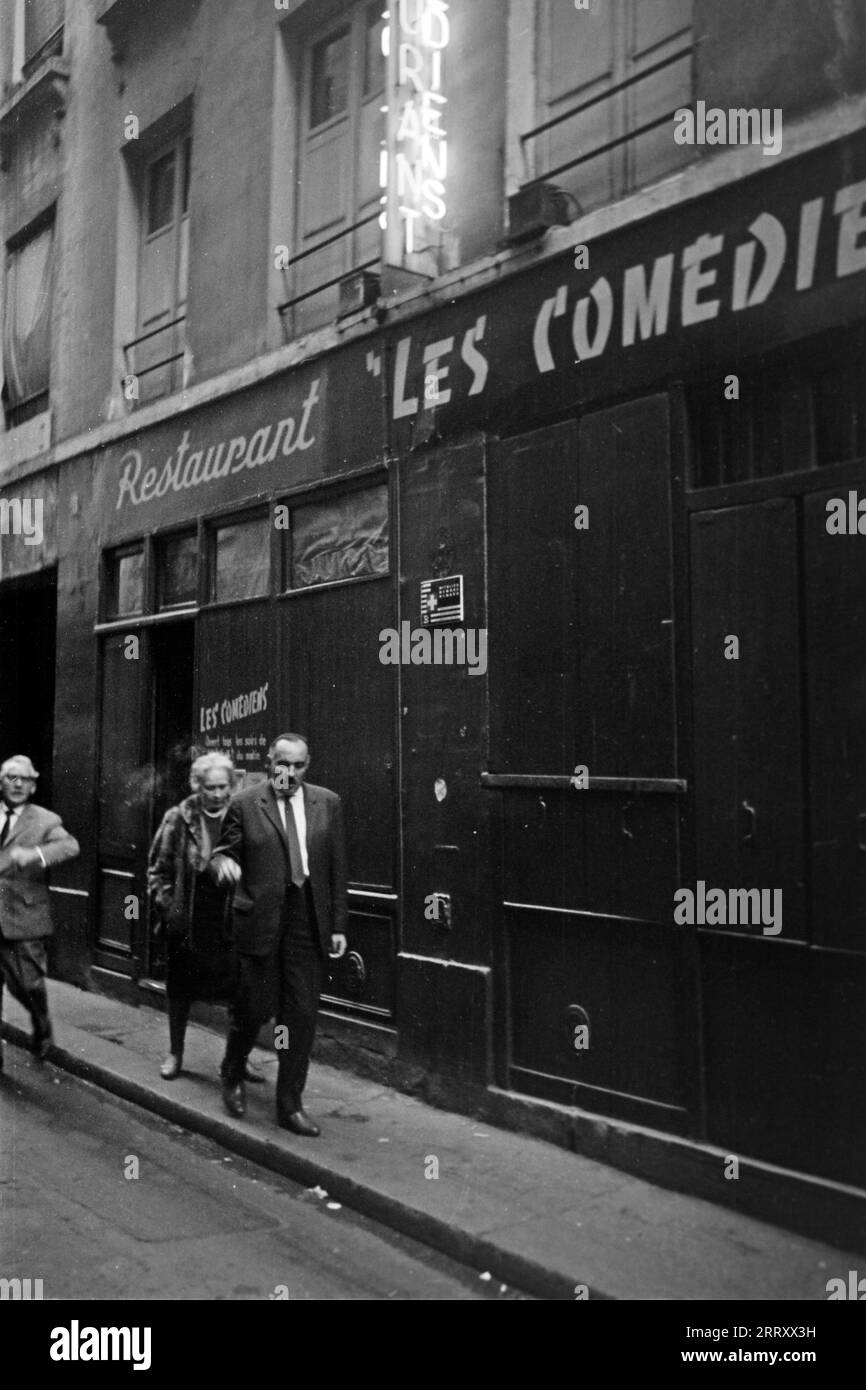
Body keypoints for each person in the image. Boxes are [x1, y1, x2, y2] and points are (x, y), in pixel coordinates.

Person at [210, 732, 347, 1135]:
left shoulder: (328, 803)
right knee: (253, 1009)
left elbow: (337, 869)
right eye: (282, 763)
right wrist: (223, 868)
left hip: (307, 922)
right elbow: (223, 855)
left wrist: (339, 926)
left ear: (309, 765)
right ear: (270, 761)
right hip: (261, 922)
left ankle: (290, 1104)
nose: (289, 772)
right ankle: (232, 1073)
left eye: (298, 765)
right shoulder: (244, 803)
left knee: (301, 1015)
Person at [146, 751, 263, 1084]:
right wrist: (168, 907)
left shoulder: (243, 815)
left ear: (232, 785)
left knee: (240, 994)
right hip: (189, 919)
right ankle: (175, 1053)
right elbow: (157, 869)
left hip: (229, 918)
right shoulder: (178, 818)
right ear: (198, 786)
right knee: (181, 990)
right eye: (209, 787)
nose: (217, 793)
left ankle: (238, 1058)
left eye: (223, 786)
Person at [0, 755, 79, 1071]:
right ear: (1, 781)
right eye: (11, 778)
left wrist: (35, 854)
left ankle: (41, 1022)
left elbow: (71, 847)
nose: (18, 784)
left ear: (33, 786)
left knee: (28, 985)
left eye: (25, 780)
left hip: (24, 917)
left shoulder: (45, 819)